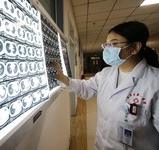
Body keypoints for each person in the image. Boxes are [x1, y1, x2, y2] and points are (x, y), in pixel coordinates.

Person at [50, 21, 159, 150]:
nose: (107, 49)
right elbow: (86, 88)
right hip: (102, 145)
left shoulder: (154, 81)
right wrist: (64, 79)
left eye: (113, 44)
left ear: (134, 47)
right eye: (106, 44)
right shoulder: (106, 74)